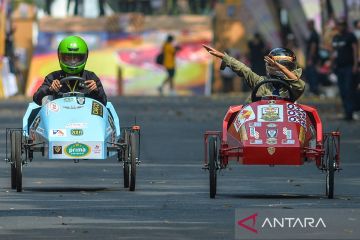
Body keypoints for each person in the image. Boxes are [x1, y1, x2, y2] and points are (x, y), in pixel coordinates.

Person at [203, 45, 305, 102]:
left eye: (286, 66)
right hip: (258, 127)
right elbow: (243, 69)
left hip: (286, 129)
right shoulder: (261, 82)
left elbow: (298, 84)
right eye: (276, 64)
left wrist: (280, 67)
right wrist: (223, 57)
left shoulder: (293, 88)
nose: (282, 68)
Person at [33, 35, 107, 106]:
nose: (72, 62)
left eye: (76, 58)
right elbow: (37, 99)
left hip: (85, 117)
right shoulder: (52, 77)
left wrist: (96, 90)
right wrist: (50, 89)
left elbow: (104, 102)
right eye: (68, 58)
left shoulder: (91, 78)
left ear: (85, 57)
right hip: (58, 116)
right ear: (60, 56)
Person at [331, 19, 358, 120]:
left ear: (345, 26)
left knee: (348, 89)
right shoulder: (336, 38)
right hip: (339, 68)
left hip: (349, 67)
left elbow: (355, 50)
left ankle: (351, 112)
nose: (340, 26)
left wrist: (355, 65)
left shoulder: (350, 36)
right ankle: (347, 112)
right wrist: (331, 64)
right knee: (342, 91)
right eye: (339, 24)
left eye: (342, 25)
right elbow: (334, 52)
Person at [305, 20, 320, 96]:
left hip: (313, 58)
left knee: (312, 74)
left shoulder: (314, 34)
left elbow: (313, 46)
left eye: (308, 25)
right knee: (311, 74)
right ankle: (313, 89)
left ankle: (314, 90)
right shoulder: (312, 34)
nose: (307, 26)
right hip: (312, 58)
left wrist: (310, 58)